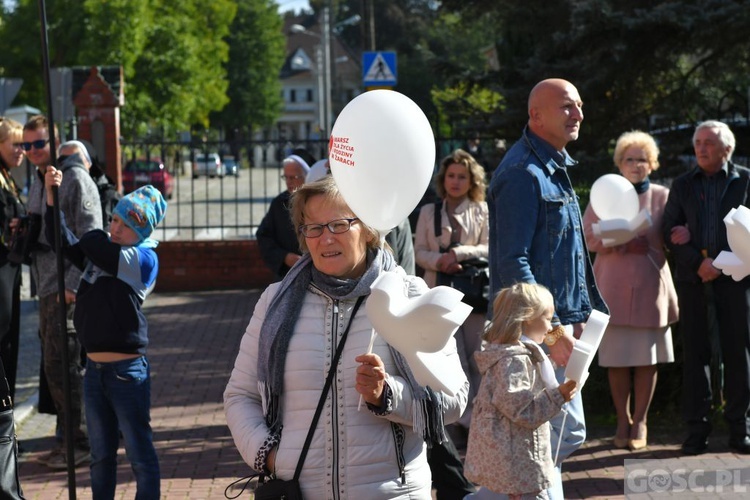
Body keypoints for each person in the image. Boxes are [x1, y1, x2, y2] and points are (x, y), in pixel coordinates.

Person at [224, 175, 469, 498]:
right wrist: (270, 456)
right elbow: (240, 396)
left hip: (393, 493)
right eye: (313, 227)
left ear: (368, 229)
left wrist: (388, 396)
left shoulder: (409, 294)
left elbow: (456, 399)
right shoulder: (276, 302)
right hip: (303, 490)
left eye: (338, 225)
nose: (325, 239)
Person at [487, 78, 608, 499]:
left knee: (557, 436)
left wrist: (585, 318)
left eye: (578, 105)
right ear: (535, 115)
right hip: (535, 335)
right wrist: (552, 333)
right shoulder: (523, 173)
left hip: (560, 328)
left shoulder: (552, 166)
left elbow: (569, 256)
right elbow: (512, 264)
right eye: (566, 107)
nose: (576, 113)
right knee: (555, 435)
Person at [45, 164, 166, 497]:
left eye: (124, 225)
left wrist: (91, 235)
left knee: (140, 454)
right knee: (100, 457)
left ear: (141, 231)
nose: (115, 228)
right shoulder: (104, 254)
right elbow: (64, 243)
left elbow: (91, 243)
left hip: (126, 373)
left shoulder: (142, 259)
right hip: (94, 371)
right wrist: (51, 201)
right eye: (113, 220)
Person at [582, 131, 678, 451]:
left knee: (646, 360)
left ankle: (641, 422)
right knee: (617, 360)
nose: (636, 164)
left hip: (650, 288)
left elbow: (675, 236)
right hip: (612, 286)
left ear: (652, 164)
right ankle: (621, 421)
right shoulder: (603, 193)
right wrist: (620, 239)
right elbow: (589, 240)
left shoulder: (664, 195)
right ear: (619, 164)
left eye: (642, 159)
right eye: (629, 159)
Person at [662, 120, 750, 455]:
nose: (700, 148)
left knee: (738, 353)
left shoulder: (745, 180)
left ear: (727, 148)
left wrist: (719, 262)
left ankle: (740, 428)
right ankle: (696, 430)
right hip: (693, 279)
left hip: (737, 279)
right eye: (697, 142)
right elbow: (668, 228)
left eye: (708, 143)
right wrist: (697, 261)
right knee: (696, 354)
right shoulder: (683, 184)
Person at [24, 115, 102, 469]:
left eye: (39, 144)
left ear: (54, 142)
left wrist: (75, 285)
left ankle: (81, 443)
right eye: (27, 146)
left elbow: (91, 236)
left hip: (66, 289)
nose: (33, 151)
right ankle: (64, 440)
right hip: (46, 285)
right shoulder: (41, 181)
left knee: (68, 366)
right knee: (53, 368)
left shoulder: (74, 178)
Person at [464, 283, 577, 499]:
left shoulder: (516, 355)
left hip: (515, 455)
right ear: (527, 318)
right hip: (517, 457)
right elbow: (521, 409)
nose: (550, 326)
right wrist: (558, 396)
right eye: (547, 318)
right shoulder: (513, 360)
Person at [415, 148, 489, 438]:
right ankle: (457, 421)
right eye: (451, 176)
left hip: (474, 295)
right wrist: (439, 260)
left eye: (462, 177)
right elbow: (419, 251)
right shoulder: (428, 212)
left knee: (477, 356)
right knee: (449, 357)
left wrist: (460, 252)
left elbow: (488, 247)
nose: (456, 182)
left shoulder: (481, 210)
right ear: (443, 179)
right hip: (439, 294)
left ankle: (481, 421)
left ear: (472, 181)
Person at [0, 117, 27, 401]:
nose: (22, 150)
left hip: (9, 270)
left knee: (8, 341)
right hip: (2, 272)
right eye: (16, 144)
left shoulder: (7, 175)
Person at [256, 150, 315, 279]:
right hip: (288, 275)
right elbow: (264, 236)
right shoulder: (279, 203)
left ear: (307, 176)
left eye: (293, 177)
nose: (288, 182)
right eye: (286, 177)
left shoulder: (318, 202)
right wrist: (284, 256)